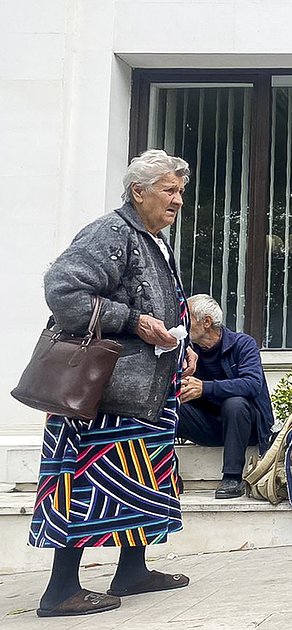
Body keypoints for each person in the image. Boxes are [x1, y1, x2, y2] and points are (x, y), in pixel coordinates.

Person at [31, 150, 194, 617]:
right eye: (169, 190)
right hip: (104, 393)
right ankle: (61, 590)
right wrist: (136, 321)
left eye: (180, 191)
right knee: (84, 482)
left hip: (143, 389)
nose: (178, 200)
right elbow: (64, 289)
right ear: (137, 191)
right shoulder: (112, 232)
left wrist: (183, 349)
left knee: (145, 479)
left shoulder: (151, 239)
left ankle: (133, 570)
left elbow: (162, 304)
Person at [177, 294, 275, 499]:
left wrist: (205, 388)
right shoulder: (187, 351)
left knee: (235, 403)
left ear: (206, 322)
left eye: (188, 318)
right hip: (208, 426)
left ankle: (232, 477)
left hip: (246, 427)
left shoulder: (242, 343)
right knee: (171, 404)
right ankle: (168, 474)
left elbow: (252, 384)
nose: (182, 323)